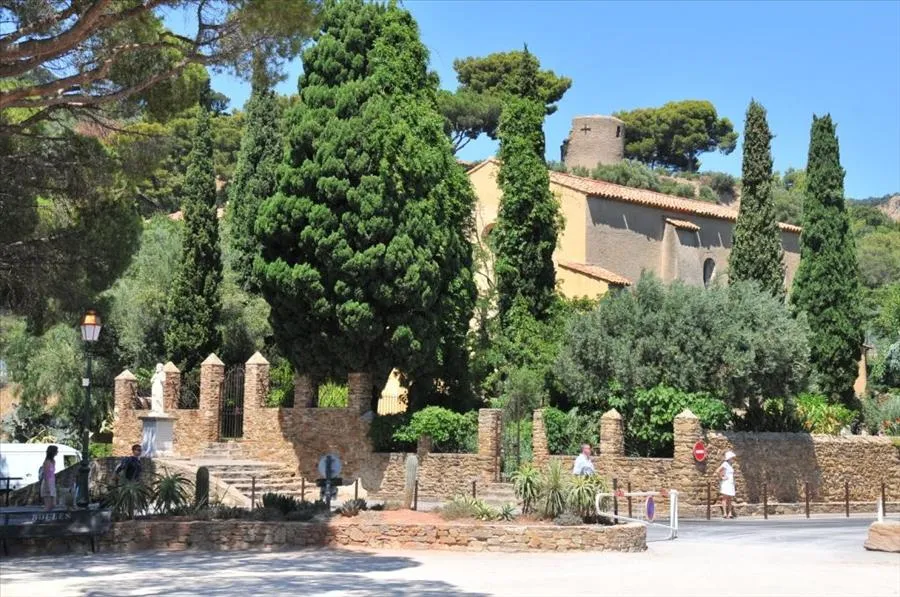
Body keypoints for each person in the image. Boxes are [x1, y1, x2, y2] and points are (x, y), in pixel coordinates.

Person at [716, 450, 737, 519]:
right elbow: (718, 470)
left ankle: (730, 513)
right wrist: (722, 477)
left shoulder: (730, 465)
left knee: (730, 498)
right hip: (726, 482)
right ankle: (725, 513)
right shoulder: (725, 464)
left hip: (730, 483)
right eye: (732, 458)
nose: (733, 459)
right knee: (725, 498)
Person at [39, 445, 58, 511]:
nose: (57, 452)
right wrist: (47, 487)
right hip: (47, 482)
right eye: (56, 451)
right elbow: (46, 475)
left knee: (53, 504)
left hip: (52, 482)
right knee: (48, 506)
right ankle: (43, 518)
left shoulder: (53, 461)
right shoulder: (47, 462)